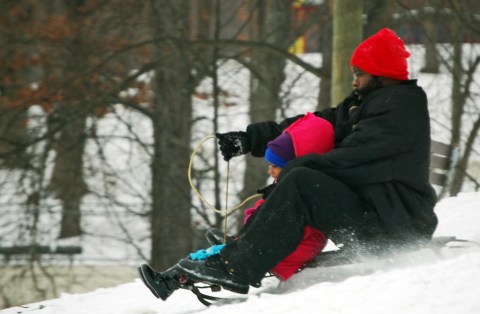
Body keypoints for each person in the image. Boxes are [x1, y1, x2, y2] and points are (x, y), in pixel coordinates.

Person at [139, 28, 438, 299]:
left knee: (301, 181)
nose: (354, 79)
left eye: (359, 72)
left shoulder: (400, 109)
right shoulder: (366, 102)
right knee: (300, 177)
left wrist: (292, 169)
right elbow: (314, 124)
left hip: (395, 223)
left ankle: (236, 264)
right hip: (376, 212)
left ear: (380, 73)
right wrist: (250, 139)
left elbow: (352, 161)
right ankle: (244, 247)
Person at [209, 112, 335, 281]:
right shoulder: (286, 186)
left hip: (297, 247)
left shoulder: (299, 190)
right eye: (270, 165)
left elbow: (283, 224)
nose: (270, 170)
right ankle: (242, 242)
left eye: (276, 166)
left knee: (271, 221)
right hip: (284, 243)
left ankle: (243, 252)